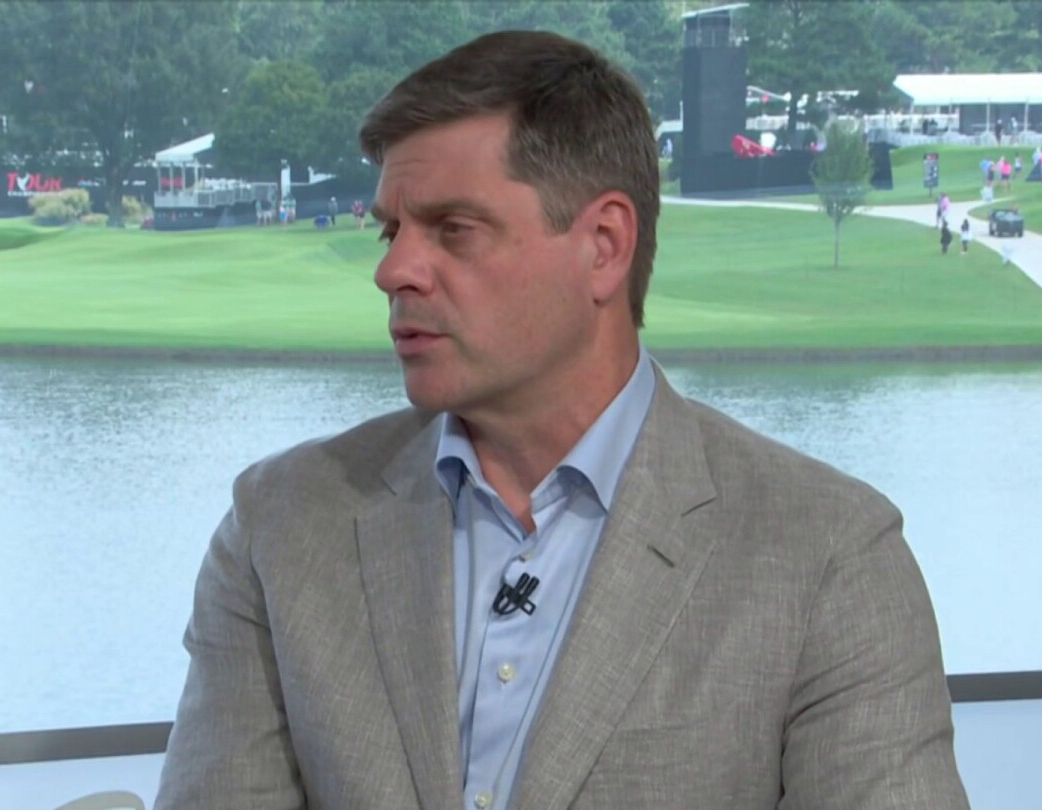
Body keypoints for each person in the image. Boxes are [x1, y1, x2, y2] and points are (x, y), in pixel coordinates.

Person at [156, 30, 969, 810]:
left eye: (453, 230)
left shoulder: (828, 557)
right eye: (391, 229)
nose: (393, 269)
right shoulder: (281, 527)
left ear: (604, 246)